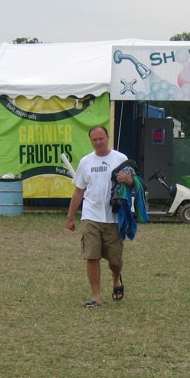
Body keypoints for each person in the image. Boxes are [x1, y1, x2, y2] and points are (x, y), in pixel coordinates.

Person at [66, 125, 134, 308]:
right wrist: (70, 217)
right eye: (95, 140)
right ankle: (96, 297)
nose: (98, 142)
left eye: (101, 138)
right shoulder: (86, 162)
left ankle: (116, 278)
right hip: (91, 216)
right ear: (91, 141)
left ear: (107, 137)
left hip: (114, 217)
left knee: (115, 260)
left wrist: (128, 180)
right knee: (92, 256)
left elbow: (135, 184)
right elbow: (79, 191)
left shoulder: (120, 158)